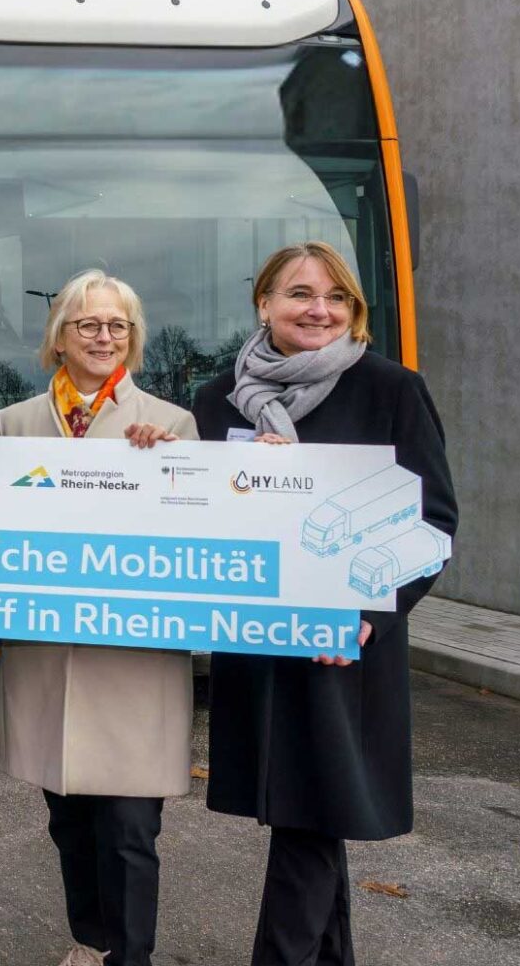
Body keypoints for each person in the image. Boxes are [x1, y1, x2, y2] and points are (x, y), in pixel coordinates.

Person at [190, 241, 457, 966]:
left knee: (310, 815)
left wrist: (371, 612)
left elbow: (434, 522)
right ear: (264, 304)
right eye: (301, 293)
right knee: (311, 813)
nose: (319, 309)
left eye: (337, 297)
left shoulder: (391, 389)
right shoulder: (218, 399)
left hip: (347, 648)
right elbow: (202, 514)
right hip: (260, 643)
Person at [0, 270, 198, 966]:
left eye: (117, 326)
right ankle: (92, 942)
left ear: (132, 339)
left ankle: (131, 957)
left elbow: (196, 535)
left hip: (133, 668)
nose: (104, 336)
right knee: (68, 821)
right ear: (61, 338)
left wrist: (174, 473)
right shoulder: (13, 424)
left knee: (130, 827)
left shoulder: (170, 426)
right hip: (49, 661)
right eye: (89, 324)